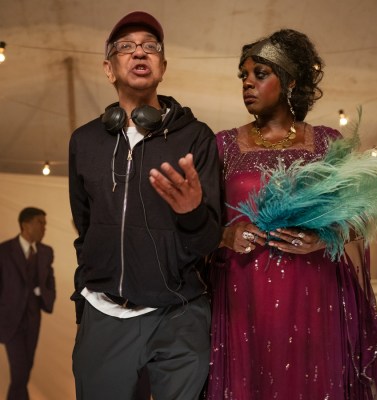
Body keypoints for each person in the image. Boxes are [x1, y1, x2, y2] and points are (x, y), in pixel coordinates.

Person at [205, 29, 377, 399]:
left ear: (290, 81)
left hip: (315, 292)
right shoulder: (224, 145)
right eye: (243, 75)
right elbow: (198, 221)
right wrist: (224, 235)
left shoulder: (326, 142)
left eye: (260, 74)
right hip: (244, 294)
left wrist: (323, 237)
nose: (247, 82)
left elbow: (358, 219)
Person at [68, 10, 221, 400]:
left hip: (180, 314)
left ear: (163, 65)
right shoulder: (84, 142)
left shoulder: (196, 138)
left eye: (150, 47)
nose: (140, 53)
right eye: (126, 47)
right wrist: (84, 298)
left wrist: (191, 212)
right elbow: (84, 229)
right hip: (105, 313)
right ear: (109, 68)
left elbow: (208, 241)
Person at [0, 207, 56, 400]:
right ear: (26, 225)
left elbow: (49, 281)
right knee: (20, 372)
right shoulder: (4, 251)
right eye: (41, 223)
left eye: (45, 224)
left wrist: (43, 294)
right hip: (10, 321)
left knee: (24, 371)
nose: (44, 228)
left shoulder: (46, 252)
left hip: (33, 320)